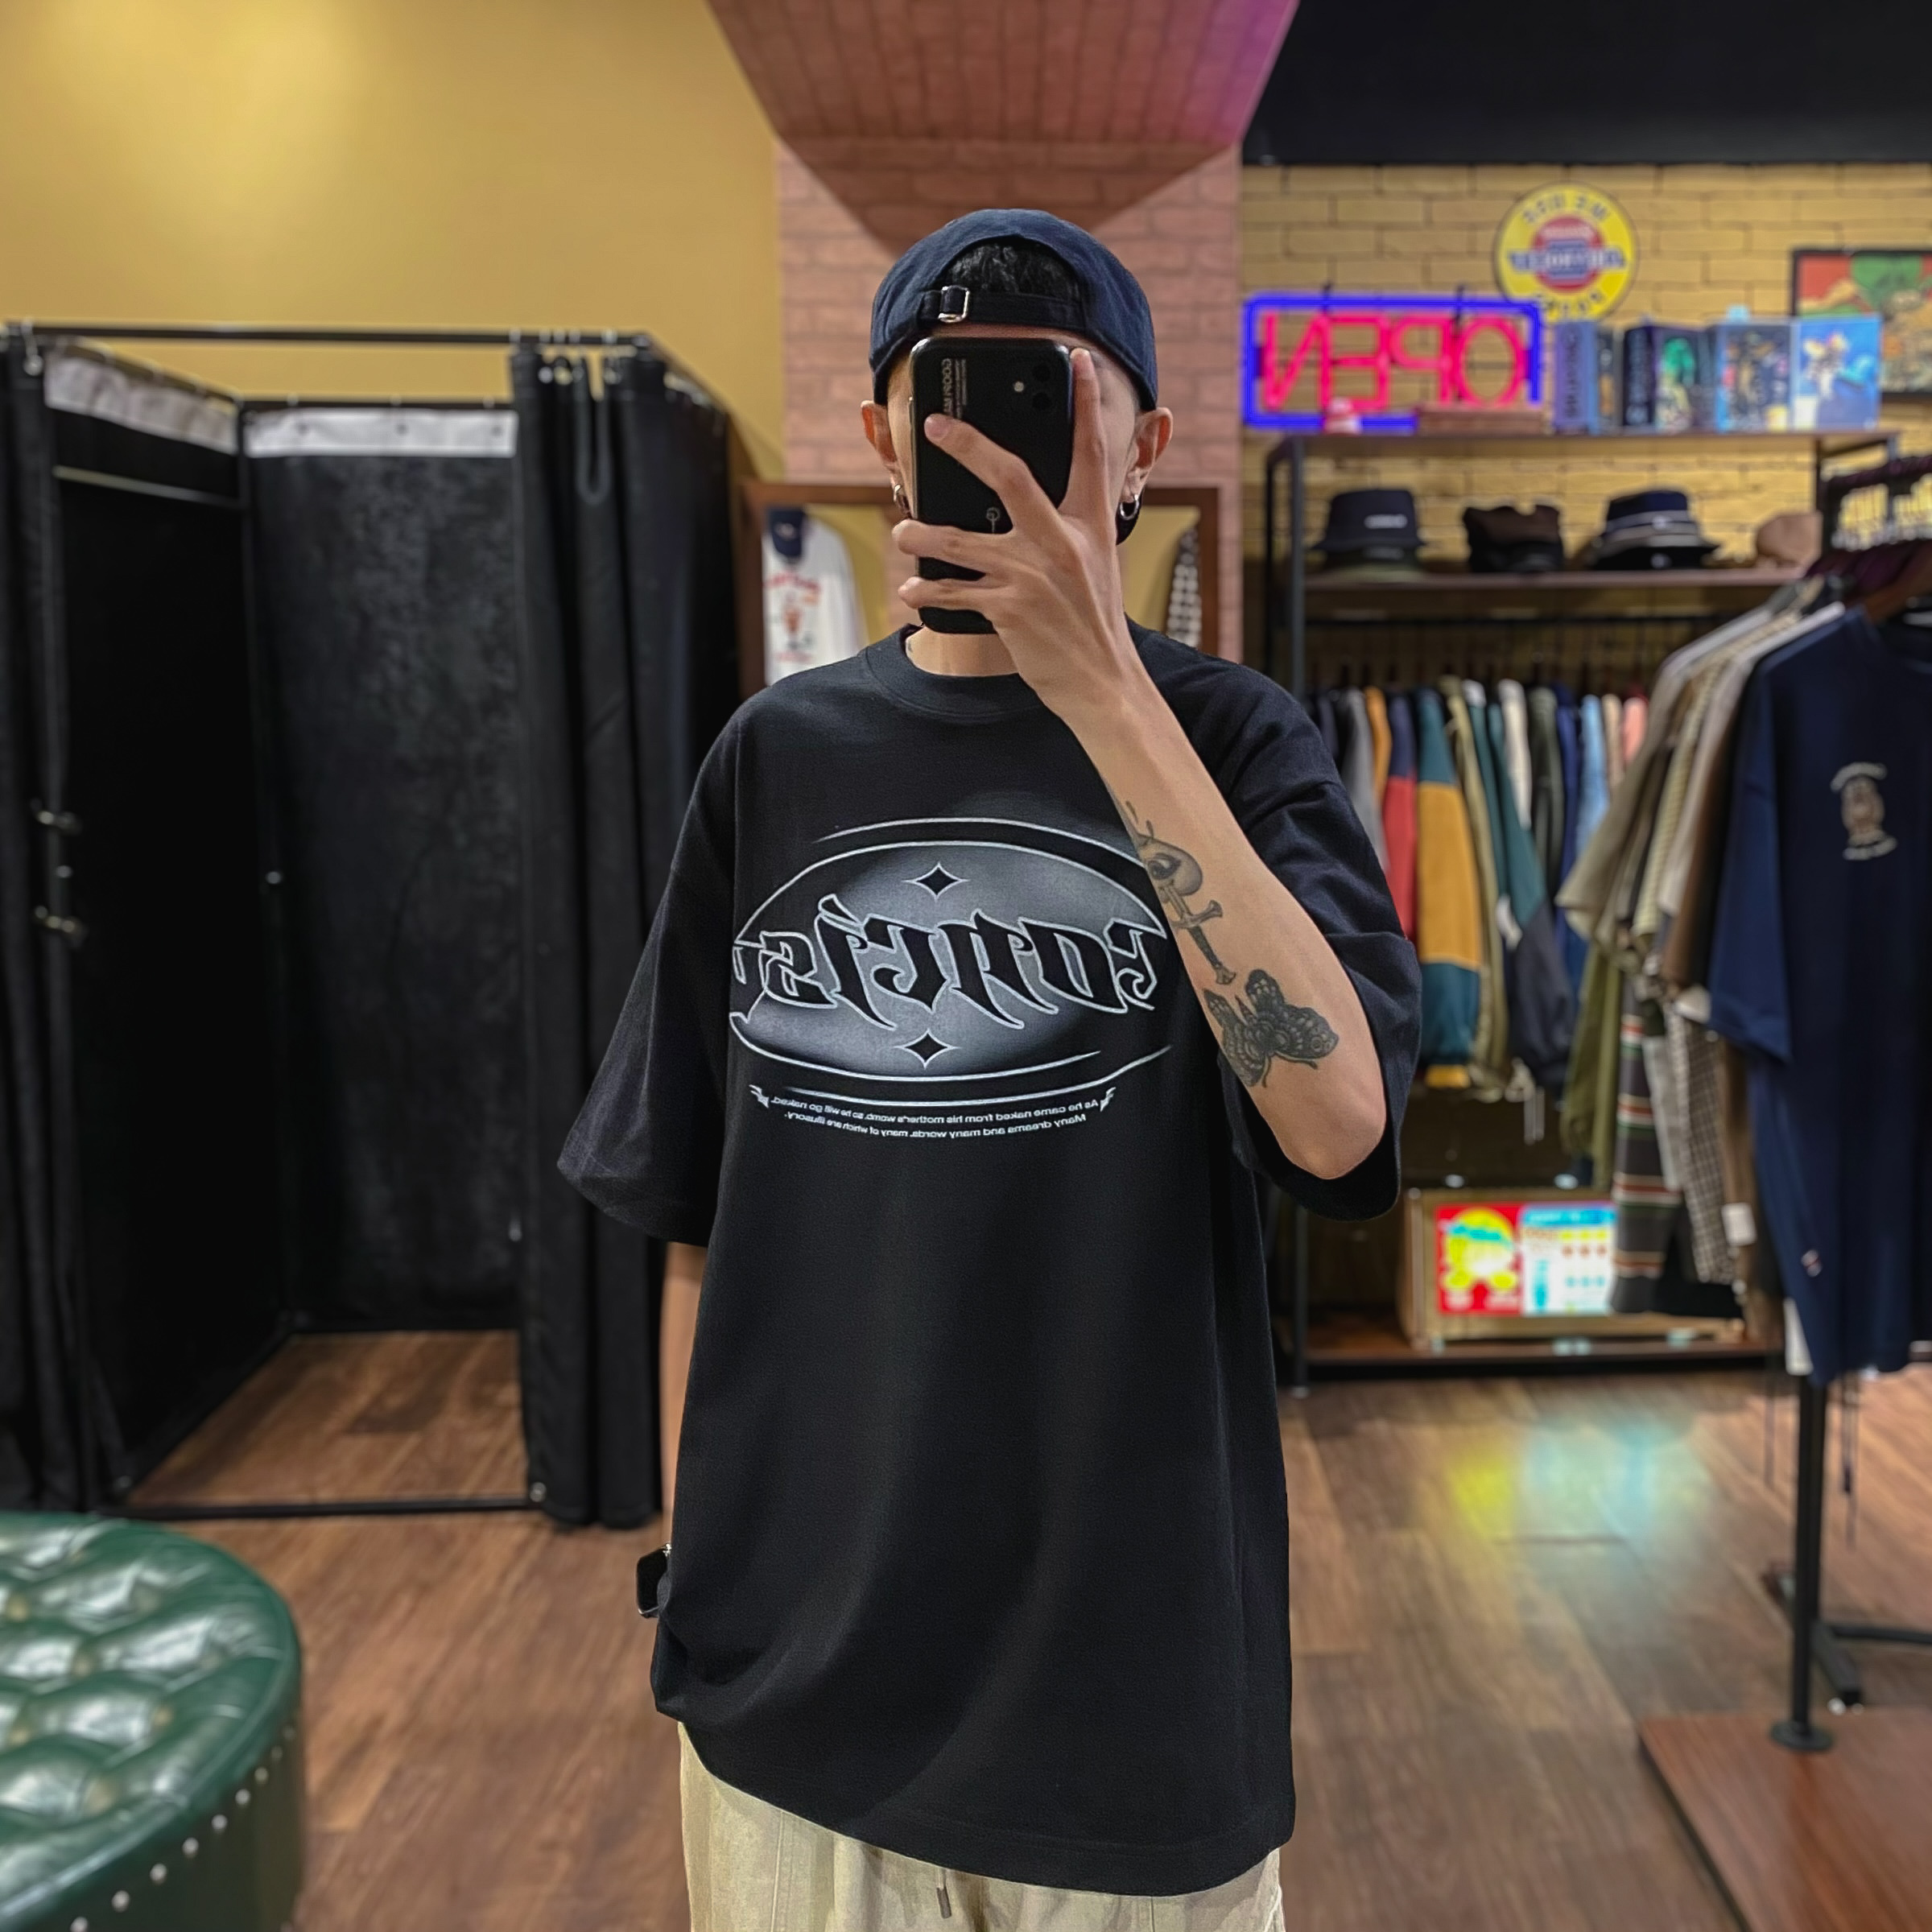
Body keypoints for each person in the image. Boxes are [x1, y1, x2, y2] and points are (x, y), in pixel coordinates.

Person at [563, 209, 1421, 1932]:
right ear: (883, 436)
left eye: (1048, 391)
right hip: (794, 1670)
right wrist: (685, 1569)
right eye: (945, 392)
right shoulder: (777, 756)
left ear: (1144, 444)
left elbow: (1336, 1123)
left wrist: (1106, 693)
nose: (993, 437)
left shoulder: (1237, 739)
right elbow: (694, 1209)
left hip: (1131, 1687)